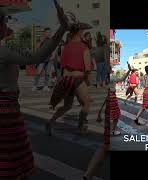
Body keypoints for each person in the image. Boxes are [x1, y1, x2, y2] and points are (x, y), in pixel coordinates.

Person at [0, 1, 69, 179]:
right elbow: (37, 56)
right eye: (4, 22)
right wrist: (62, 29)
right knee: (11, 158)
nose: (6, 25)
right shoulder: (3, 50)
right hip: (6, 112)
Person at [83, 63, 132, 180]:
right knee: (115, 116)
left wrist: (99, 111)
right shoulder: (112, 77)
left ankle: (111, 132)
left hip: (107, 98)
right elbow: (123, 79)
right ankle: (89, 174)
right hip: (112, 97)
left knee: (113, 117)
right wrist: (129, 70)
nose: (112, 69)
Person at [46, 21, 93, 136]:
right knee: (86, 104)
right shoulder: (84, 47)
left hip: (66, 79)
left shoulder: (66, 46)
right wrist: (88, 80)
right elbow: (87, 68)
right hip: (78, 79)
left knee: (67, 106)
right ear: (80, 32)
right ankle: (81, 127)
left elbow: (61, 65)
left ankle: (50, 122)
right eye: (82, 31)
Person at [32, 27, 54, 92]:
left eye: (50, 32)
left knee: (47, 73)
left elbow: (53, 48)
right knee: (38, 72)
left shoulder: (52, 40)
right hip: (42, 59)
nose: (49, 33)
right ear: (44, 33)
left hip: (49, 59)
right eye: (47, 32)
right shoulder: (41, 39)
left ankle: (46, 86)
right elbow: (37, 47)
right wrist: (41, 41)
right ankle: (35, 85)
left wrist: (53, 55)